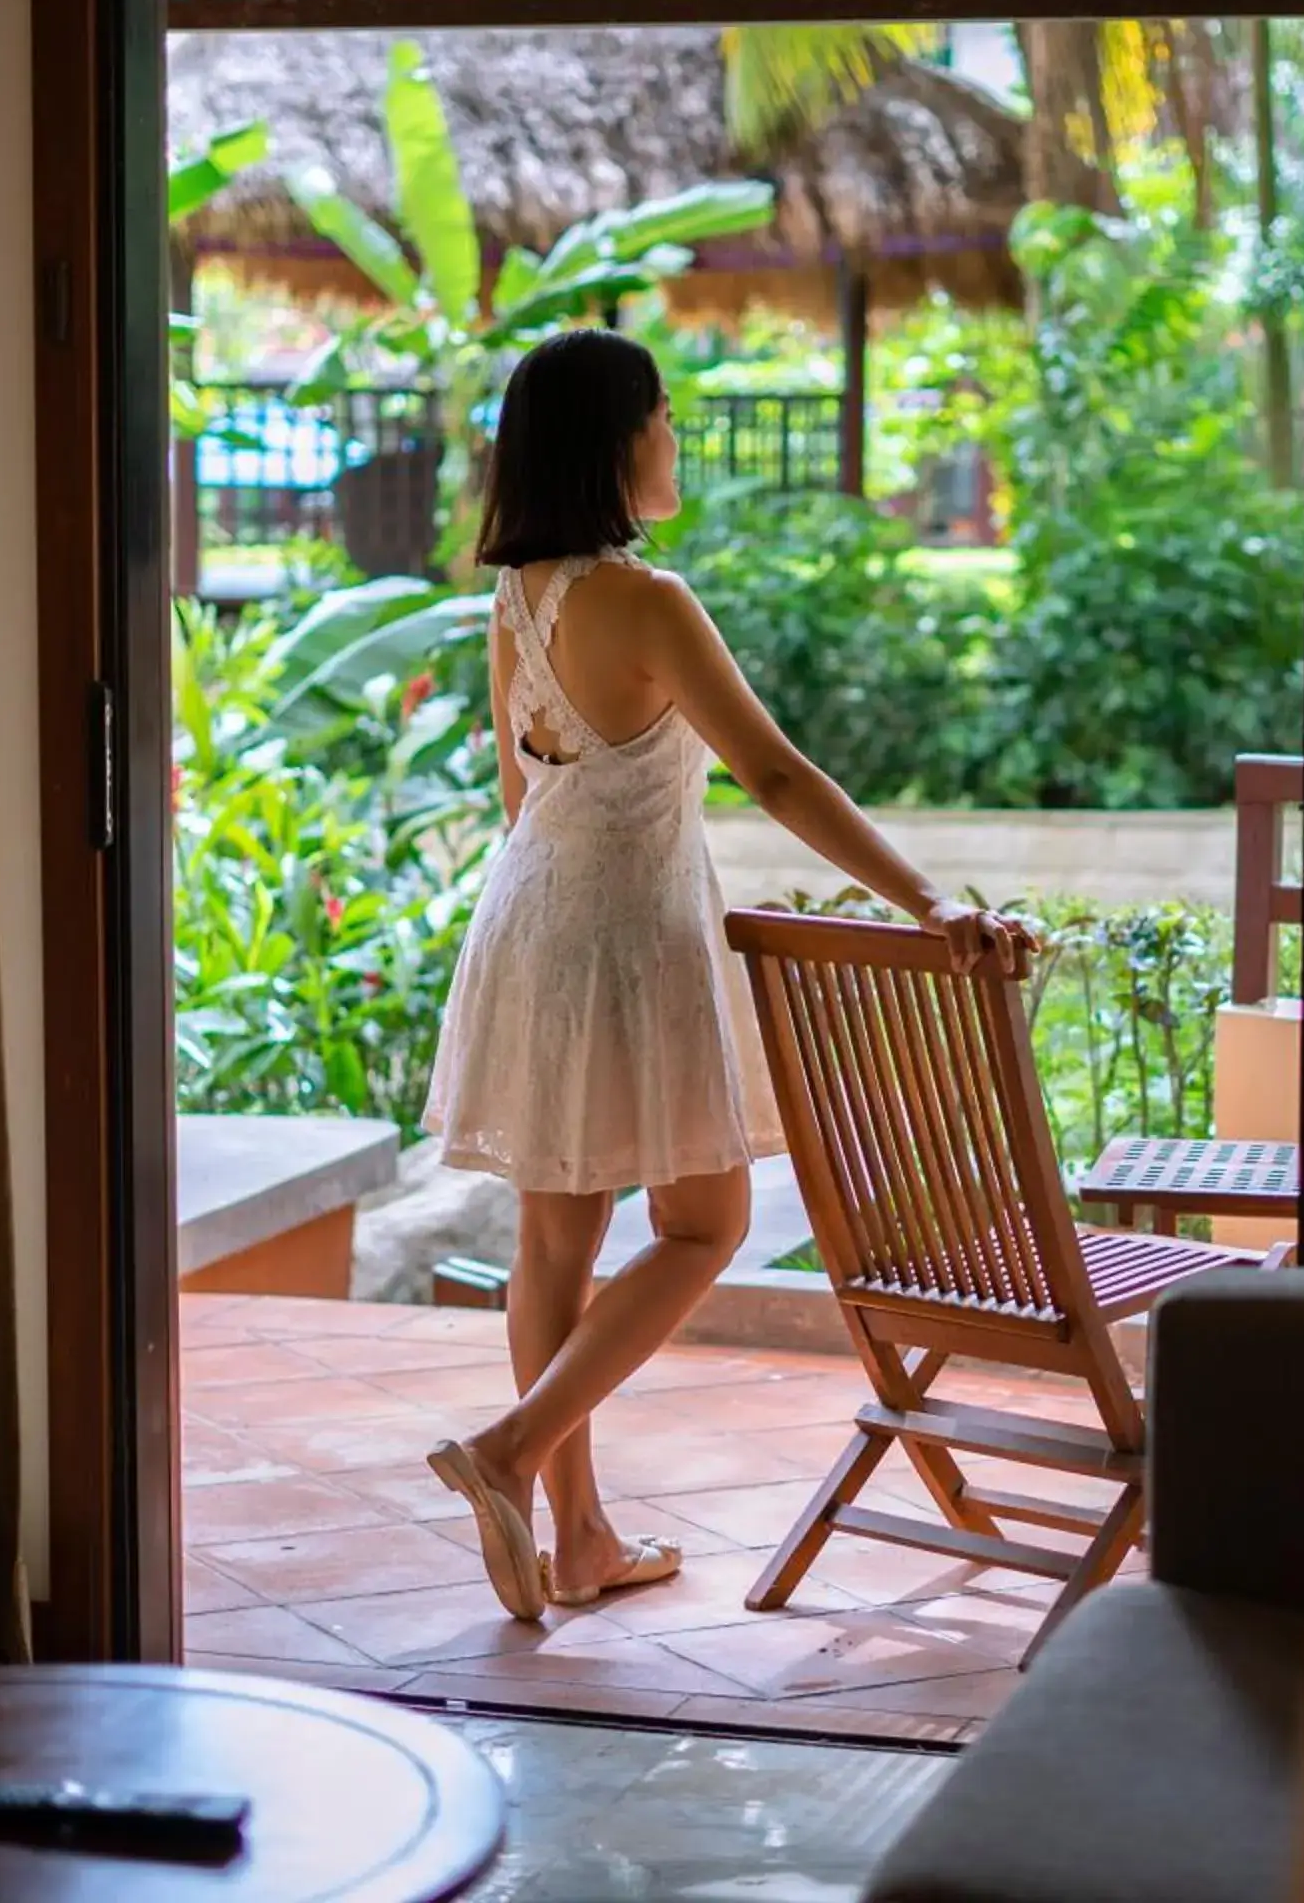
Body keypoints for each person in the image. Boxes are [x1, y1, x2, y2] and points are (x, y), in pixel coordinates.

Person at [422, 328, 1028, 1621]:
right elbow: (778, 775)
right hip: (629, 933)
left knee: (555, 1238)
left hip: (529, 916)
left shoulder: (519, 594)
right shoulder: (649, 601)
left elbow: (517, 786)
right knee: (705, 1227)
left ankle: (576, 1537)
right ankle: (512, 1455)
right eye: (665, 415)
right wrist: (928, 900)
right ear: (619, 439)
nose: (676, 437)